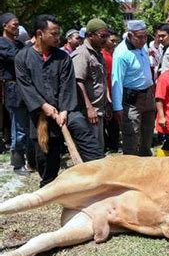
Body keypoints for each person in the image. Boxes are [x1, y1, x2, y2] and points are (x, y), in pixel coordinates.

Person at [15, 14, 103, 187]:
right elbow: (26, 87)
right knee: (46, 156)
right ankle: (48, 186)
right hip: (40, 113)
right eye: (53, 34)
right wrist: (44, 106)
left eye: (58, 33)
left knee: (87, 138)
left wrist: (63, 110)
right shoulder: (22, 57)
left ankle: (100, 177)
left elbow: (67, 85)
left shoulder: (63, 57)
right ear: (40, 33)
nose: (58, 37)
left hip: (67, 111)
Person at [112, 20, 155, 156]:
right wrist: (117, 107)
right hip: (132, 99)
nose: (143, 40)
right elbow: (116, 80)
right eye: (139, 37)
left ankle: (145, 159)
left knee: (148, 131)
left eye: (145, 36)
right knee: (132, 134)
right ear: (130, 35)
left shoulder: (142, 46)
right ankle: (130, 166)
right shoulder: (121, 53)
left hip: (148, 95)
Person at [72, 18, 109, 153]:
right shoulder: (82, 54)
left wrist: (107, 102)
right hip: (88, 112)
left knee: (99, 149)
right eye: (102, 36)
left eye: (107, 36)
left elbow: (101, 81)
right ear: (90, 35)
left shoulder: (98, 53)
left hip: (99, 110)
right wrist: (89, 108)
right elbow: (78, 81)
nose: (105, 39)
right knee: (91, 153)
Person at [0, 12, 30, 175]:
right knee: (18, 128)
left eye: (18, 24)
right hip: (13, 89)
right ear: (5, 26)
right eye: (14, 24)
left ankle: (31, 159)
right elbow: (18, 58)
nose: (17, 27)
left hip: (26, 88)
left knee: (27, 126)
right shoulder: (2, 44)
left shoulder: (20, 44)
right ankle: (18, 163)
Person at [101, 30, 120, 152]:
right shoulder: (102, 56)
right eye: (112, 41)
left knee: (114, 122)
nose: (114, 43)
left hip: (115, 93)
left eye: (115, 41)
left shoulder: (115, 55)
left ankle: (114, 144)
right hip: (106, 95)